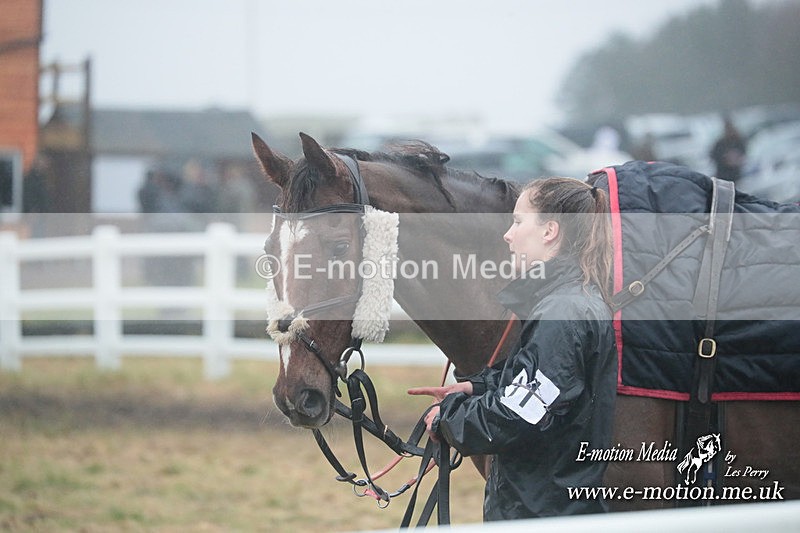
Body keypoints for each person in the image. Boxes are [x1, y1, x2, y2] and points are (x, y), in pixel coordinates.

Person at [408, 177, 617, 520]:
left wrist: (448, 419)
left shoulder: (562, 312)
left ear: (550, 231)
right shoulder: (567, 303)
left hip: (542, 513)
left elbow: (519, 416)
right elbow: (541, 386)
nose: (508, 234)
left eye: (518, 222)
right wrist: (477, 387)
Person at [709, 117, 746, 183]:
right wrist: (725, 159)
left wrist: (737, 160)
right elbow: (713, 155)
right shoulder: (720, 143)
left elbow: (744, 155)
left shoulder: (739, 142)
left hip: (736, 175)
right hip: (723, 175)